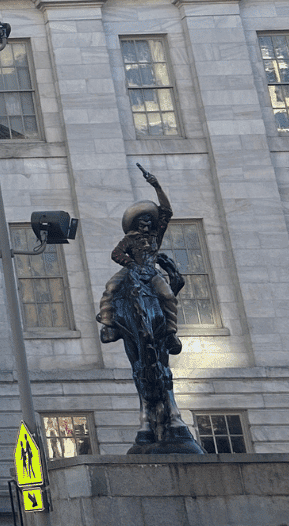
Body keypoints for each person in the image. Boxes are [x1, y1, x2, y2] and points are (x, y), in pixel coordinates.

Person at [97, 164, 202, 453]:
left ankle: (170, 332)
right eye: (141, 221)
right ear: (134, 224)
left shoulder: (156, 236)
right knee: (110, 288)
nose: (145, 225)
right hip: (134, 272)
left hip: (151, 274)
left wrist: (156, 186)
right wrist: (131, 265)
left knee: (167, 295)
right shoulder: (129, 240)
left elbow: (167, 211)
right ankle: (108, 325)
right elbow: (115, 254)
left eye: (148, 221)